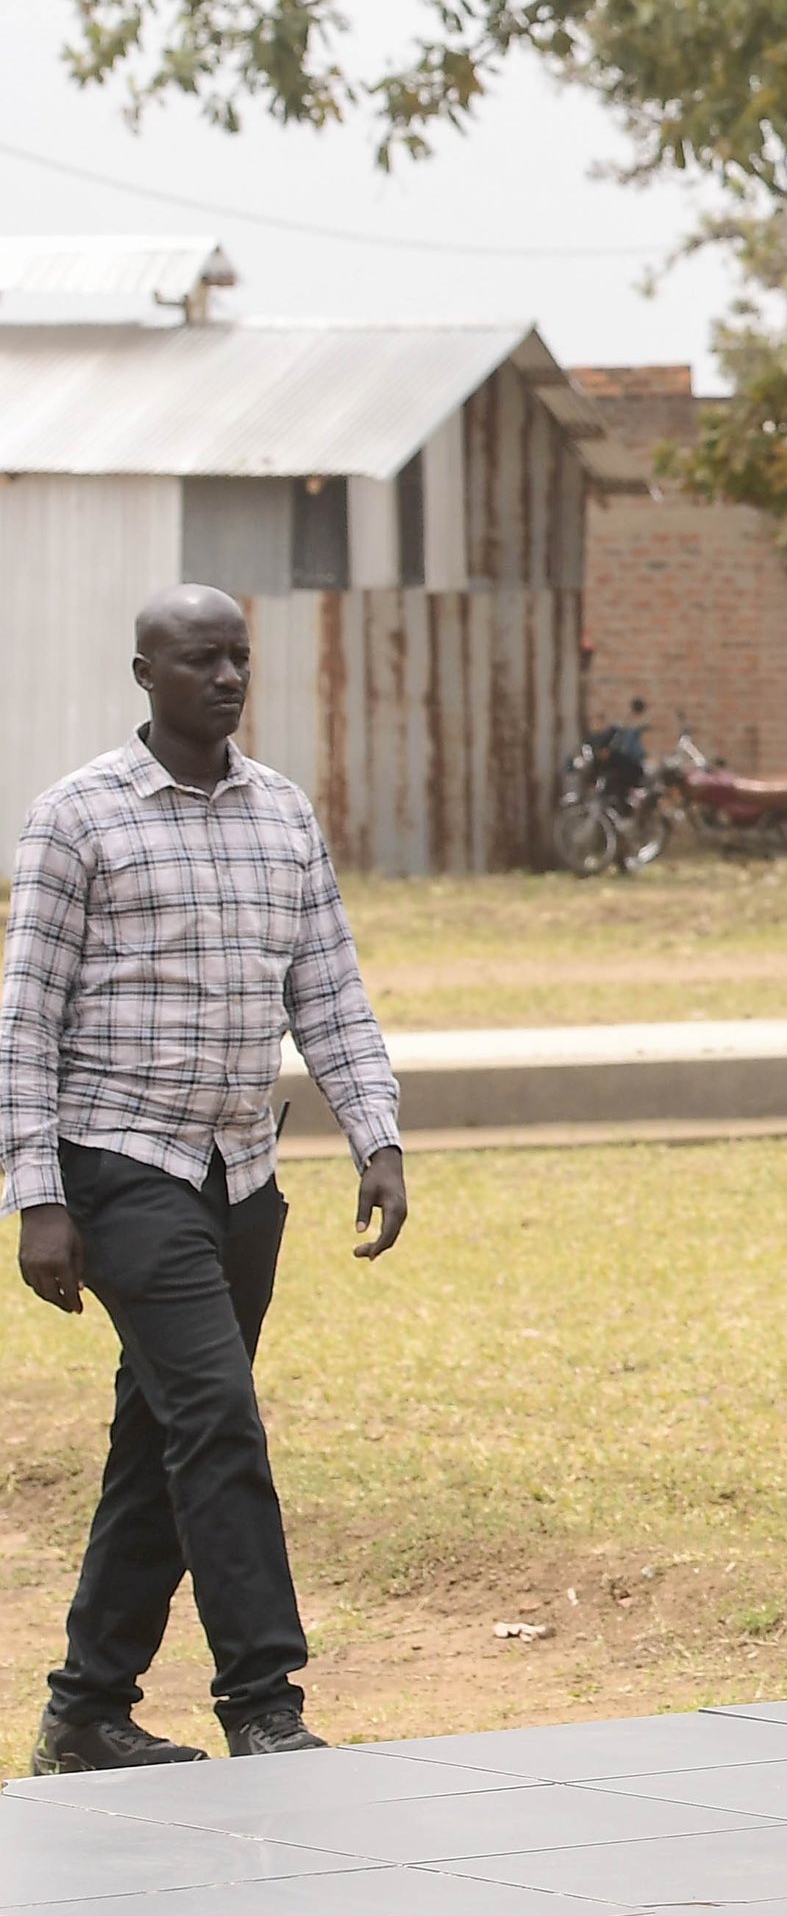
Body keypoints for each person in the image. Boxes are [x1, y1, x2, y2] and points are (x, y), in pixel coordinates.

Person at [4, 586, 409, 1771]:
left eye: (238, 658)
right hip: (120, 1163)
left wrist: (374, 1136)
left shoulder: (282, 814)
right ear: (145, 674)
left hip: (243, 1176)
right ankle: (263, 1703)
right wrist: (37, 1198)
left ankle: (86, 1713)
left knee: (164, 1433)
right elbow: (25, 1021)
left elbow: (327, 989)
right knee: (219, 1419)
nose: (225, 679)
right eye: (199, 661)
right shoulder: (77, 818)